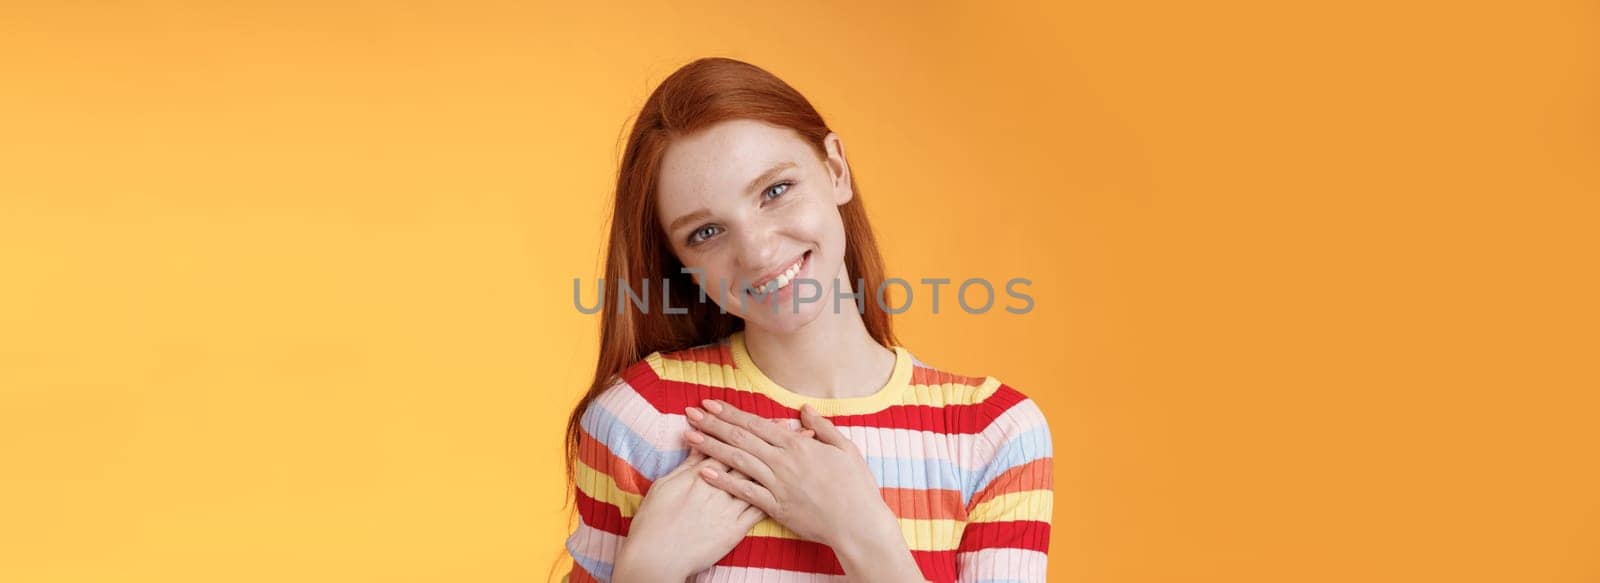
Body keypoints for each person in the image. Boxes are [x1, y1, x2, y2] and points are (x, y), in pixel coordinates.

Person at [562, 57, 1053, 583]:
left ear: (836, 169)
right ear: (681, 262)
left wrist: (863, 534)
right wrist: (646, 572)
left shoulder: (992, 433)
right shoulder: (641, 417)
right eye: (706, 232)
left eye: (774, 191)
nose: (757, 252)